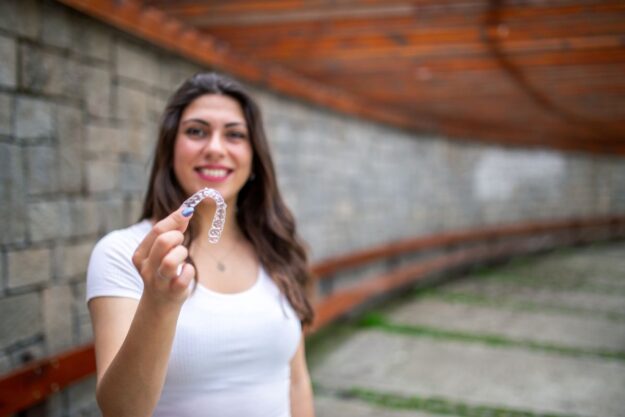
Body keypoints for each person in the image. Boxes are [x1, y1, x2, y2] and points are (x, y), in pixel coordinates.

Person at [86, 72, 316, 417]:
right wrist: (159, 303)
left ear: (254, 157)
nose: (214, 148)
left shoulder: (275, 248)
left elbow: (296, 382)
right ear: (170, 148)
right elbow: (121, 410)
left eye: (235, 135)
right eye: (196, 131)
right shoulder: (123, 253)